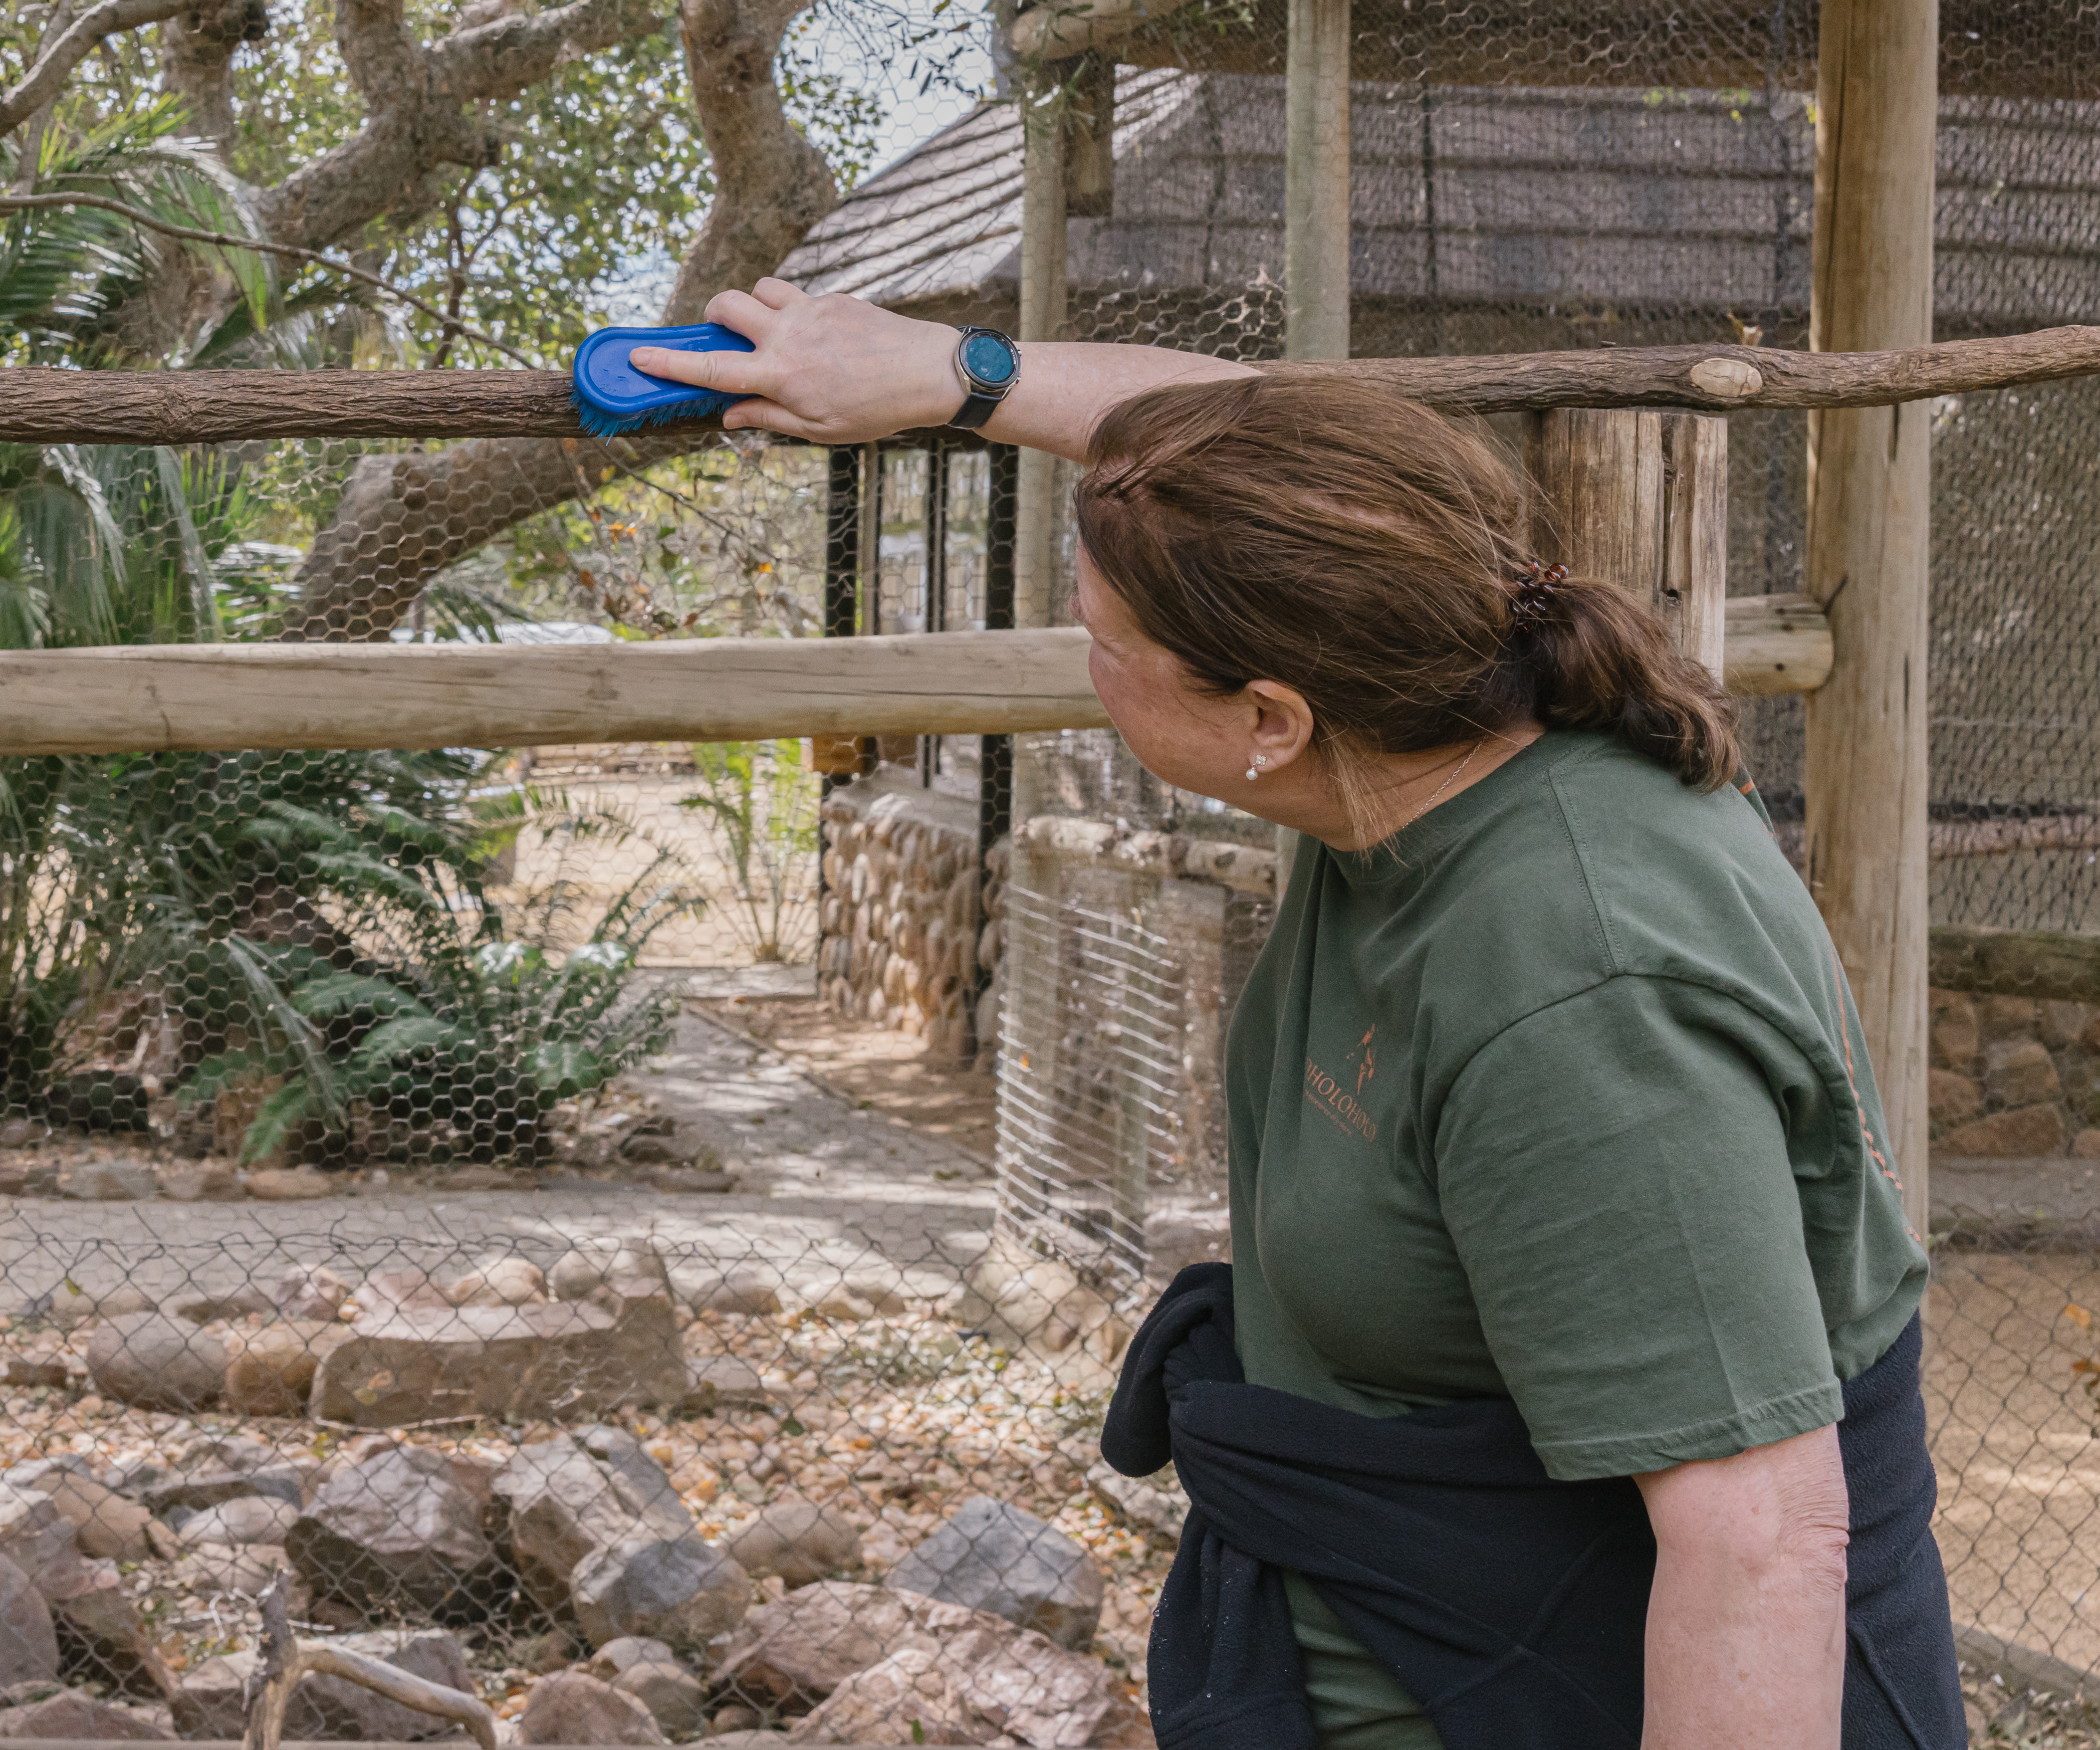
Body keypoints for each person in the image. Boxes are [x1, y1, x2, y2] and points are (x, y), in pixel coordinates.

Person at [630, 281, 1956, 1750]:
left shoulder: (1584, 987)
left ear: (1268, 717)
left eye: (1101, 636)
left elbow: (1758, 1535)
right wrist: (951, 375)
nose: (1087, 657)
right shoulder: (1418, 728)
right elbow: (1260, 450)